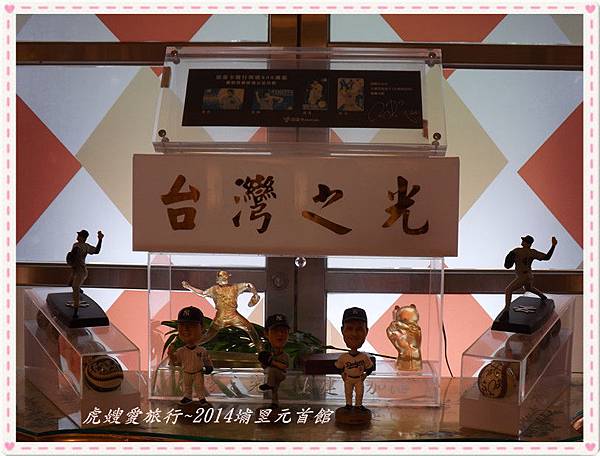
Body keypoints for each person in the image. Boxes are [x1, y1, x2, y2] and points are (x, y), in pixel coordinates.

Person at [182, 271, 264, 351]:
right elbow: (202, 293)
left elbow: (248, 285)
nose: (224, 279)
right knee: (207, 336)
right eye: (223, 277)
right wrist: (189, 287)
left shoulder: (233, 287)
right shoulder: (215, 289)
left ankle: (261, 350)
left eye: (224, 277)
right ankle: (190, 347)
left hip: (232, 316)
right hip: (222, 318)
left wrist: (255, 294)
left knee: (250, 329)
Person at [168, 306, 214, 405]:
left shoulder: (201, 350)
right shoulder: (181, 350)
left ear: (202, 328)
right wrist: (170, 354)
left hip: (198, 372)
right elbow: (175, 362)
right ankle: (187, 397)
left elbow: (206, 359)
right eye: (182, 325)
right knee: (187, 387)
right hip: (186, 372)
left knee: (199, 386)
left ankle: (202, 398)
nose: (186, 329)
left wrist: (209, 366)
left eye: (191, 325)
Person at [335, 307, 374, 411]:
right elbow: (338, 367)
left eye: (359, 329)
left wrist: (365, 375)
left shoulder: (364, 357)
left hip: (359, 379)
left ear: (366, 331)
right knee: (348, 393)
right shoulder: (344, 357)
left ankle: (358, 406)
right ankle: (348, 405)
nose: (354, 334)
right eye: (349, 328)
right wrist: (342, 374)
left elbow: (370, 367)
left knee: (359, 393)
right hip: (348, 378)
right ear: (342, 330)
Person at [504, 235, 558, 310]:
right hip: (529, 275)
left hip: (523, 276)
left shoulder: (517, 250)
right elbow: (547, 257)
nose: (523, 241)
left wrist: (509, 260)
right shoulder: (532, 252)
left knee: (508, 290)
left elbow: (507, 265)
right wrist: (553, 246)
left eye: (525, 241)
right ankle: (542, 296)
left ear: (529, 244)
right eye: (523, 240)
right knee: (528, 288)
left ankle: (507, 308)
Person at [66, 230, 103, 316]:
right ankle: (79, 292)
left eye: (80, 235)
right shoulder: (75, 244)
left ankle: (76, 311)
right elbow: (72, 257)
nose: (78, 236)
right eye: (78, 235)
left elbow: (97, 251)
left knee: (75, 287)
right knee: (71, 284)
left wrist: (100, 239)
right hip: (75, 270)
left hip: (81, 271)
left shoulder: (85, 246)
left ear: (83, 238)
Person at [257, 314, 290, 408]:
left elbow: (284, 367)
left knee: (273, 370)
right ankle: (274, 403)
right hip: (274, 378)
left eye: (283, 331)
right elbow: (264, 366)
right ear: (266, 333)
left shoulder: (285, 355)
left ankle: (269, 385)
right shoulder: (269, 353)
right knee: (275, 390)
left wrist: (271, 362)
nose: (280, 334)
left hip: (281, 376)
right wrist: (265, 362)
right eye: (275, 331)